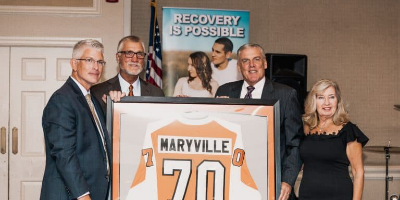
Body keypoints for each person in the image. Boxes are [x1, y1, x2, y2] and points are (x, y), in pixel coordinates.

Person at [215, 43, 303, 200]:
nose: (252, 65)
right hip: (231, 181)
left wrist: (287, 181)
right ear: (238, 66)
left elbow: (294, 143)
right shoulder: (224, 91)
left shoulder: (286, 95)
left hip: (271, 183)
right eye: (245, 61)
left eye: (256, 59)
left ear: (265, 63)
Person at [41, 39, 110, 200]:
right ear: (74, 64)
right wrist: (83, 196)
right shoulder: (62, 100)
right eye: (89, 60)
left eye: (100, 62)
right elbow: (64, 154)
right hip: (71, 195)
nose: (96, 67)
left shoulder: (93, 100)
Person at [298, 79, 368, 200]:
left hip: (339, 195)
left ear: (338, 101)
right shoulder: (306, 128)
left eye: (331, 97)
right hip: (307, 195)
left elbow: (358, 172)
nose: (326, 103)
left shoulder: (348, 130)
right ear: (314, 101)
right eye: (321, 97)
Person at [91, 35, 164, 114]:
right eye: (129, 53)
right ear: (118, 57)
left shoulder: (157, 93)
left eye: (139, 54)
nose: (135, 59)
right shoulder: (98, 92)